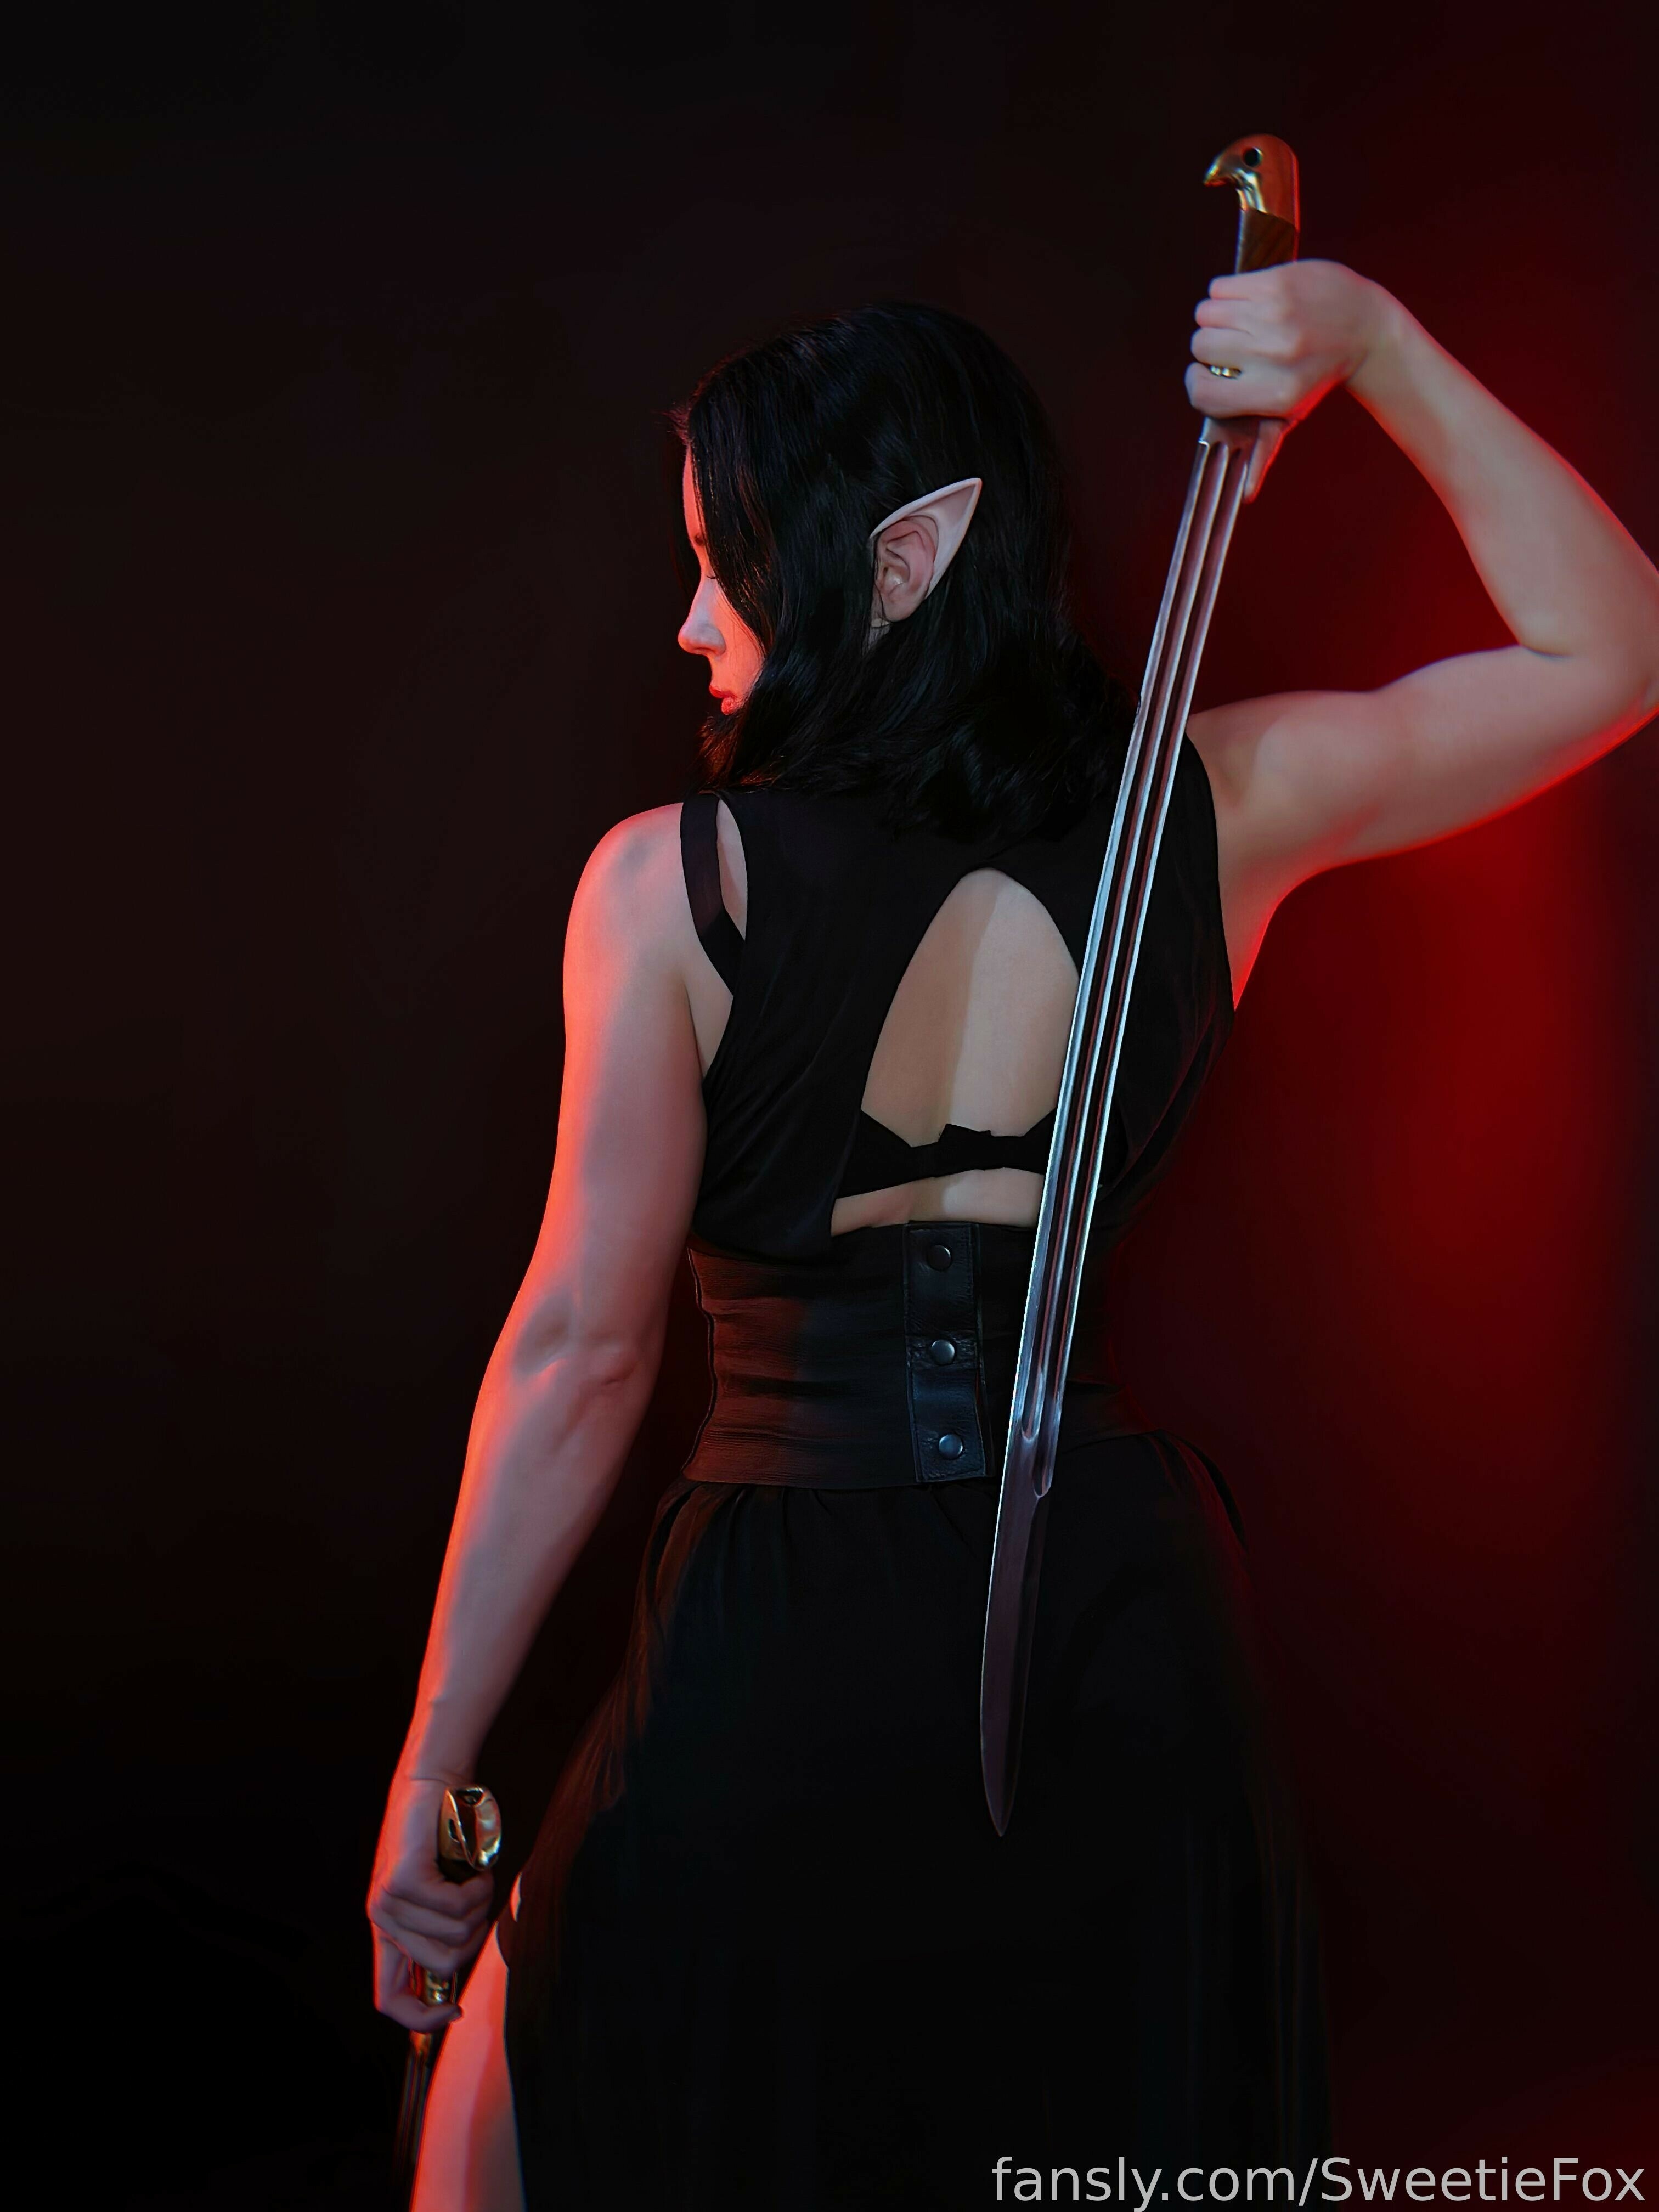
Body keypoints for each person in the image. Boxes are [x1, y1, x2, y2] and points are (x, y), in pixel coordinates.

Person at [366, 263, 1659, 2210]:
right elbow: (1613, 652)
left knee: (493, 2141)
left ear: (901, 562)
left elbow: (582, 1357)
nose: (691, 622)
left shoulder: (668, 890)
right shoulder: (1213, 810)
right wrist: (1378, 346)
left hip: (785, 1644)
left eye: (725, 568)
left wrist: (433, 1780)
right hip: (1118, 1637)